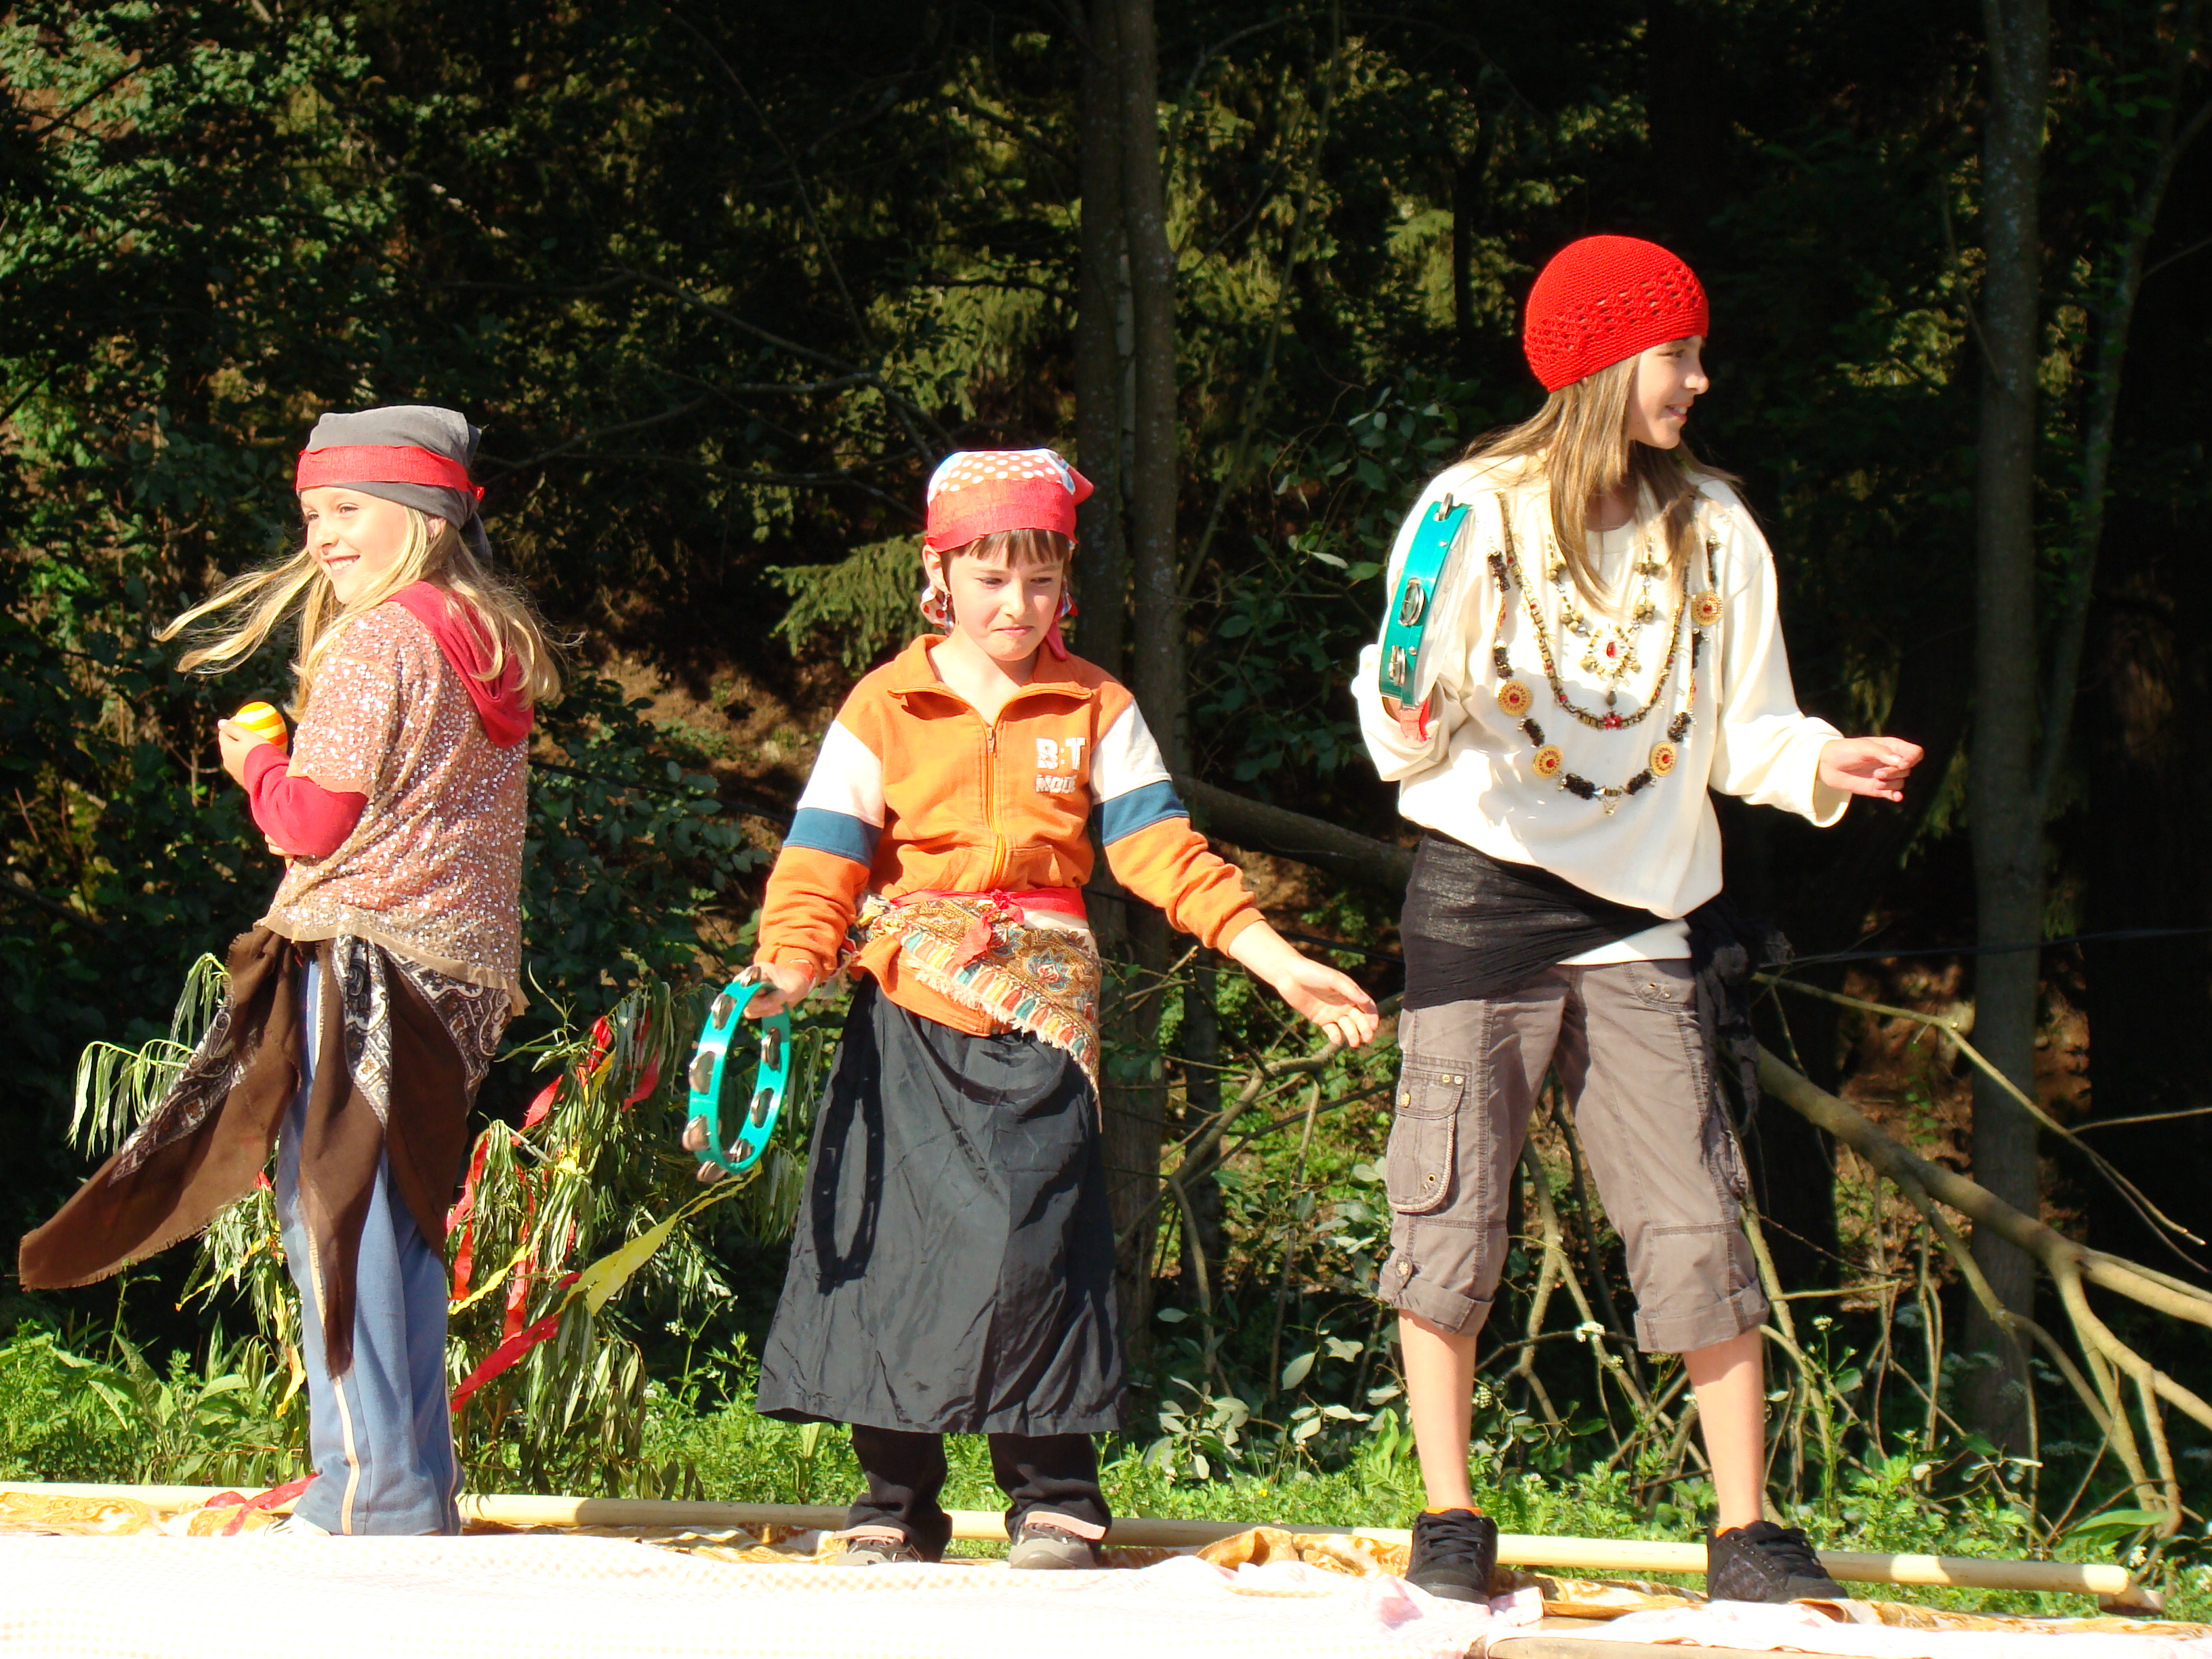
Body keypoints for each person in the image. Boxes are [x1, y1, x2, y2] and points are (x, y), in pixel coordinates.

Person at [1352, 237, 1923, 1604]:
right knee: (1449, 1214)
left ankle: (1745, 1534)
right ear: (1606, 362)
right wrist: (1411, 708)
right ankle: (1449, 1516)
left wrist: (1821, 761)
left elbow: (1748, 729)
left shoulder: (1714, 528)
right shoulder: (1471, 512)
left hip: (1641, 920)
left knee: (1695, 1218)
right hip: (1480, 898)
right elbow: (1400, 703)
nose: (1700, 380)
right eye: (1678, 354)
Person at [724, 448, 1380, 1568]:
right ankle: (894, 1500)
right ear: (939, 575)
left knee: (1039, 1242)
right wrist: (787, 968)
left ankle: (1054, 1496)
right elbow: (823, 857)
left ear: (1066, 582)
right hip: (909, 1007)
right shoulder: (883, 705)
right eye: (990, 578)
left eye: (1040, 579)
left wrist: (1273, 959)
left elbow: (1162, 850)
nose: (1016, 605)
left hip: (1041, 1021)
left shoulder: (1096, 704)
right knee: (896, 1248)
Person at [20, 405, 558, 1536]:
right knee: (402, 1222)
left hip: (363, 959)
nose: (323, 536)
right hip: (460, 975)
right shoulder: (485, 638)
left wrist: (259, 761)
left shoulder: (376, 641)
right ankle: (416, 1490)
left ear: (425, 517)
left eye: (348, 509)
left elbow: (312, 823)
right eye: (312, 513)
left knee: (335, 1222)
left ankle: (366, 1492)